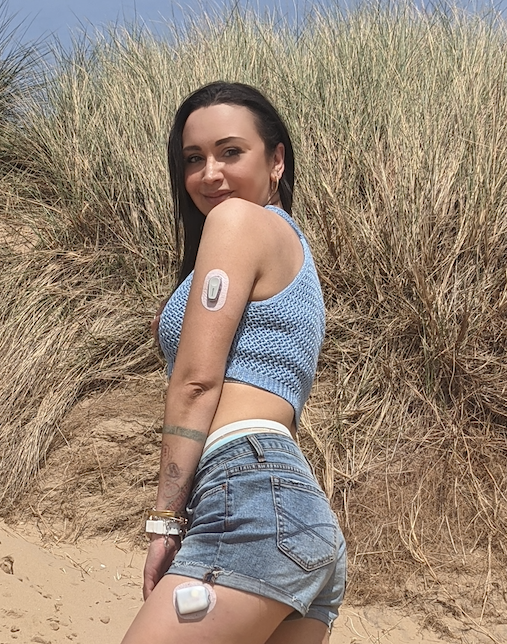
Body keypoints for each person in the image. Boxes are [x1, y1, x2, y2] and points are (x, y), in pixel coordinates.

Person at [121, 81, 346, 644]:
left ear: (276, 160)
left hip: (249, 496)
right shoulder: (288, 247)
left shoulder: (238, 222)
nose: (209, 173)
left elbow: (196, 382)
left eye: (230, 152)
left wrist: (164, 521)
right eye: (193, 159)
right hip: (297, 515)